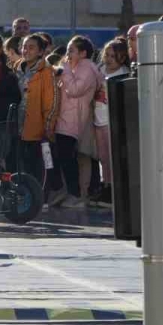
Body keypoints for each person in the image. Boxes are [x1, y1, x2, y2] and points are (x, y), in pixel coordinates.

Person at [52, 36, 100, 209]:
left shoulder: (86, 68)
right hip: (66, 117)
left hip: (72, 119)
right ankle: (69, 191)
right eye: (68, 50)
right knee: (63, 156)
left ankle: (76, 194)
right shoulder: (76, 68)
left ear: (83, 53)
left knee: (67, 157)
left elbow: (74, 90)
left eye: (72, 50)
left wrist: (64, 70)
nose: (67, 54)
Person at [15, 33, 56, 190]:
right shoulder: (17, 68)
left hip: (39, 130)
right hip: (19, 127)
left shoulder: (46, 71)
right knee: (23, 166)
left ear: (40, 52)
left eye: (31, 47)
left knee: (41, 166)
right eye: (24, 47)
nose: (26, 50)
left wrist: (48, 127)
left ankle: (41, 197)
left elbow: (50, 103)